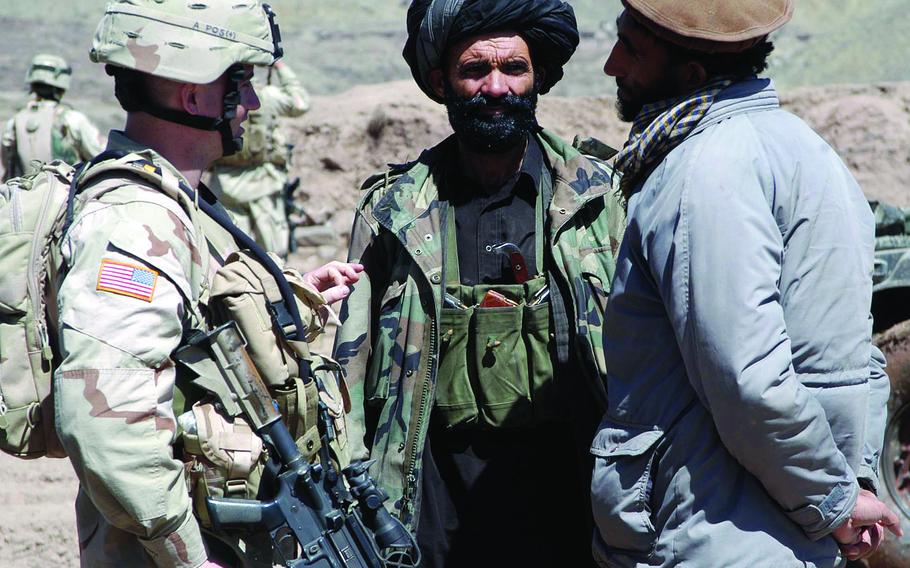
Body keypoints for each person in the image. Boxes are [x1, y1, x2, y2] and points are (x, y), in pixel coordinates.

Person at [52, 1, 361, 566]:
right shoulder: (136, 221)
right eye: (239, 83)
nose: (252, 102)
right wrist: (188, 556)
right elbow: (104, 423)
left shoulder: (179, 205)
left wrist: (284, 296)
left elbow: (195, 329)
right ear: (194, 95)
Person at [594, 1, 901, 566]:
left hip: (715, 529)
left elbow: (747, 378)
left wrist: (832, 501)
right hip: (777, 529)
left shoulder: (705, 170)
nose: (613, 64)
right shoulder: (802, 148)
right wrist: (841, 490)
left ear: (690, 76)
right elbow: (852, 365)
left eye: (631, 49)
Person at [332, 1, 625, 566]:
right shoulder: (394, 213)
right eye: (474, 70)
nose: (496, 87)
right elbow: (349, 372)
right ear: (442, 81)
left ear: (538, 76)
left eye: (514, 68)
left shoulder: (598, 201)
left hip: (578, 513)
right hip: (431, 514)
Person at [206, 59, 311, 258]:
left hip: (225, 184)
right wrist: (281, 67)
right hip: (265, 183)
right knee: (274, 253)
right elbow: (301, 102)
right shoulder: (269, 97)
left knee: (228, 250)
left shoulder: (216, 96)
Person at [1, 53, 105, 181]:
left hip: (24, 197)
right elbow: (101, 157)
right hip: (67, 197)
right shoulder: (72, 120)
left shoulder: (14, 123)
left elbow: (7, 167)